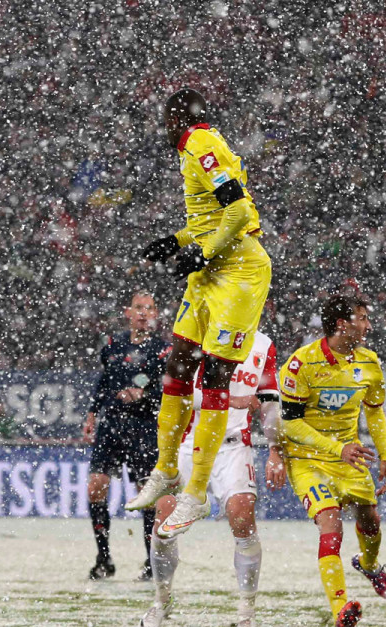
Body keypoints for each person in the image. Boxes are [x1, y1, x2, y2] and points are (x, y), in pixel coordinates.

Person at [125, 89, 273, 540]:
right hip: (211, 270)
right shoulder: (199, 146)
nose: (165, 129)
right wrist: (177, 240)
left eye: (166, 120)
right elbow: (211, 217)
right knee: (178, 363)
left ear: (175, 118)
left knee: (213, 378)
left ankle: (195, 492)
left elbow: (240, 211)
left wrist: (203, 251)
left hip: (240, 272)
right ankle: (167, 468)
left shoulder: (200, 144)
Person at [270, 295, 386, 627]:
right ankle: (340, 609)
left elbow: (375, 411)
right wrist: (336, 448)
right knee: (331, 527)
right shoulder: (301, 364)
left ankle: (368, 566)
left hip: (349, 458)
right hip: (310, 460)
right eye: (363, 318)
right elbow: (290, 425)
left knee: (370, 518)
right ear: (342, 324)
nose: (368, 325)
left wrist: (385, 456)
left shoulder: (369, 362)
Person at [140, 331, 280, 627]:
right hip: (188, 443)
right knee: (164, 522)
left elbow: (269, 399)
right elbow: (180, 394)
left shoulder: (264, 345)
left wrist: (275, 449)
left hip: (233, 446)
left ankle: (246, 610)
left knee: (243, 517)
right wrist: (235, 399)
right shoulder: (200, 334)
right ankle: (162, 601)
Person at [81, 291, 168, 580]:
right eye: (138, 308)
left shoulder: (162, 350)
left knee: (148, 496)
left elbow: (168, 391)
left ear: (155, 315)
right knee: (96, 486)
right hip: (112, 425)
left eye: (150, 308)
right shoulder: (111, 345)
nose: (144, 313)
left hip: (143, 427)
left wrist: (146, 394)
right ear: (128, 313)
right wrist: (93, 413)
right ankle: (103, 558)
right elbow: (104, 381)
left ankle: (150, 561)